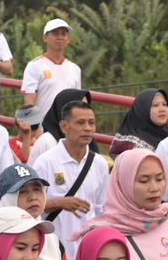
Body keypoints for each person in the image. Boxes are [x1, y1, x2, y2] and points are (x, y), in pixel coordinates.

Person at [30, 97, 110, 244]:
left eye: (91, 123)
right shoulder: (45, 162)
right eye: (80, 123)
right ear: (64, 126)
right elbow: (29, 207)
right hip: (54, 248)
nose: (87, 128)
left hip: (87, 246)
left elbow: (102, 210)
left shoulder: (100, 163)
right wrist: (60, 203)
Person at [20, 18, 81, 126]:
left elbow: (77, 104)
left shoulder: (75, 69)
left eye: (63, 34)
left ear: (68, 39)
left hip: (67, 131)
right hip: (43, 130)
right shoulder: (34, 66)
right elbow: (29, 102)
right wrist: (33, 131)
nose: (60, 37)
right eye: (55, 33)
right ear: (45, 37)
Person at [112, 88, 168, 156]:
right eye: (155, 105)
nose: (162, 109)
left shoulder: (167, 134)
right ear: (143, 110)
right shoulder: (131, 146)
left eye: (165, 104)